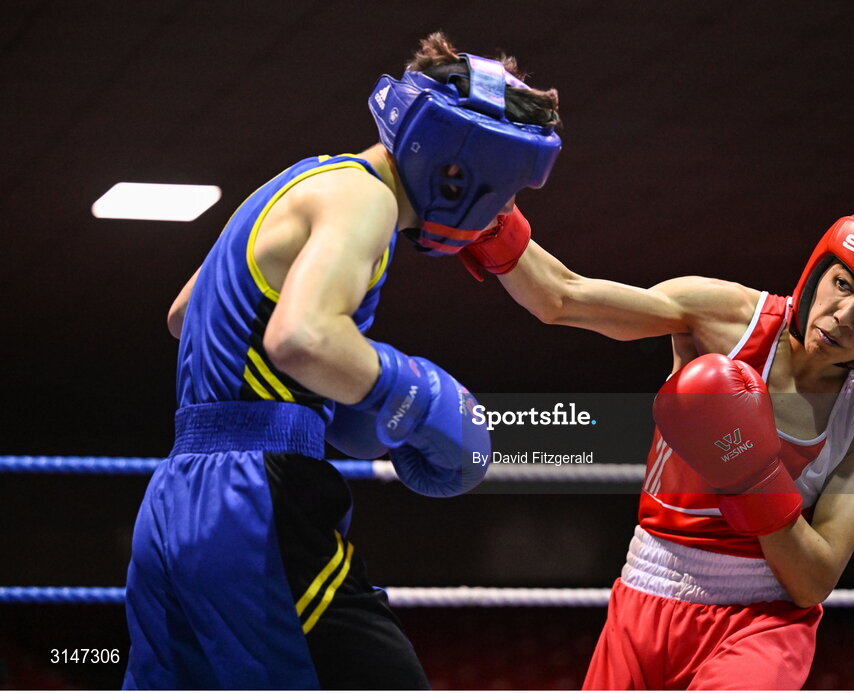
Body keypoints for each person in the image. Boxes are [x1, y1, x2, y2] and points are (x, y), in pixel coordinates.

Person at [122, 32, 561, 689]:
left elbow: (185, 311)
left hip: (173, 502)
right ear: (460, 168)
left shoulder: (303, 178)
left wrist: (310, 405)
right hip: (253, 505)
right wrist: (415, 394)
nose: (502, 211)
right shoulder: (367, 199)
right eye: (505, 192)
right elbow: (301, 337)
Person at [460, 203, 854, 688]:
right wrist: (489, 217)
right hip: (644, 593)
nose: (845, 316)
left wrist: (753, 474)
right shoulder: (724, 317)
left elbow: (813, 581)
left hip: (762, 622)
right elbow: (563, 298)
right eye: (843, 284)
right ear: (819, 272)